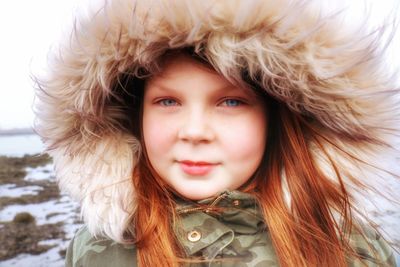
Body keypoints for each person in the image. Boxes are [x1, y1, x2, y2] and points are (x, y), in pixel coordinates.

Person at [34, 0, 399, 266]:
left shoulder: (355, 251)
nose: (194, 132)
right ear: (133, 117)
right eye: (167, 102)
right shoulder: (97, 251)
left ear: (277, 118)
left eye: (230, 103)